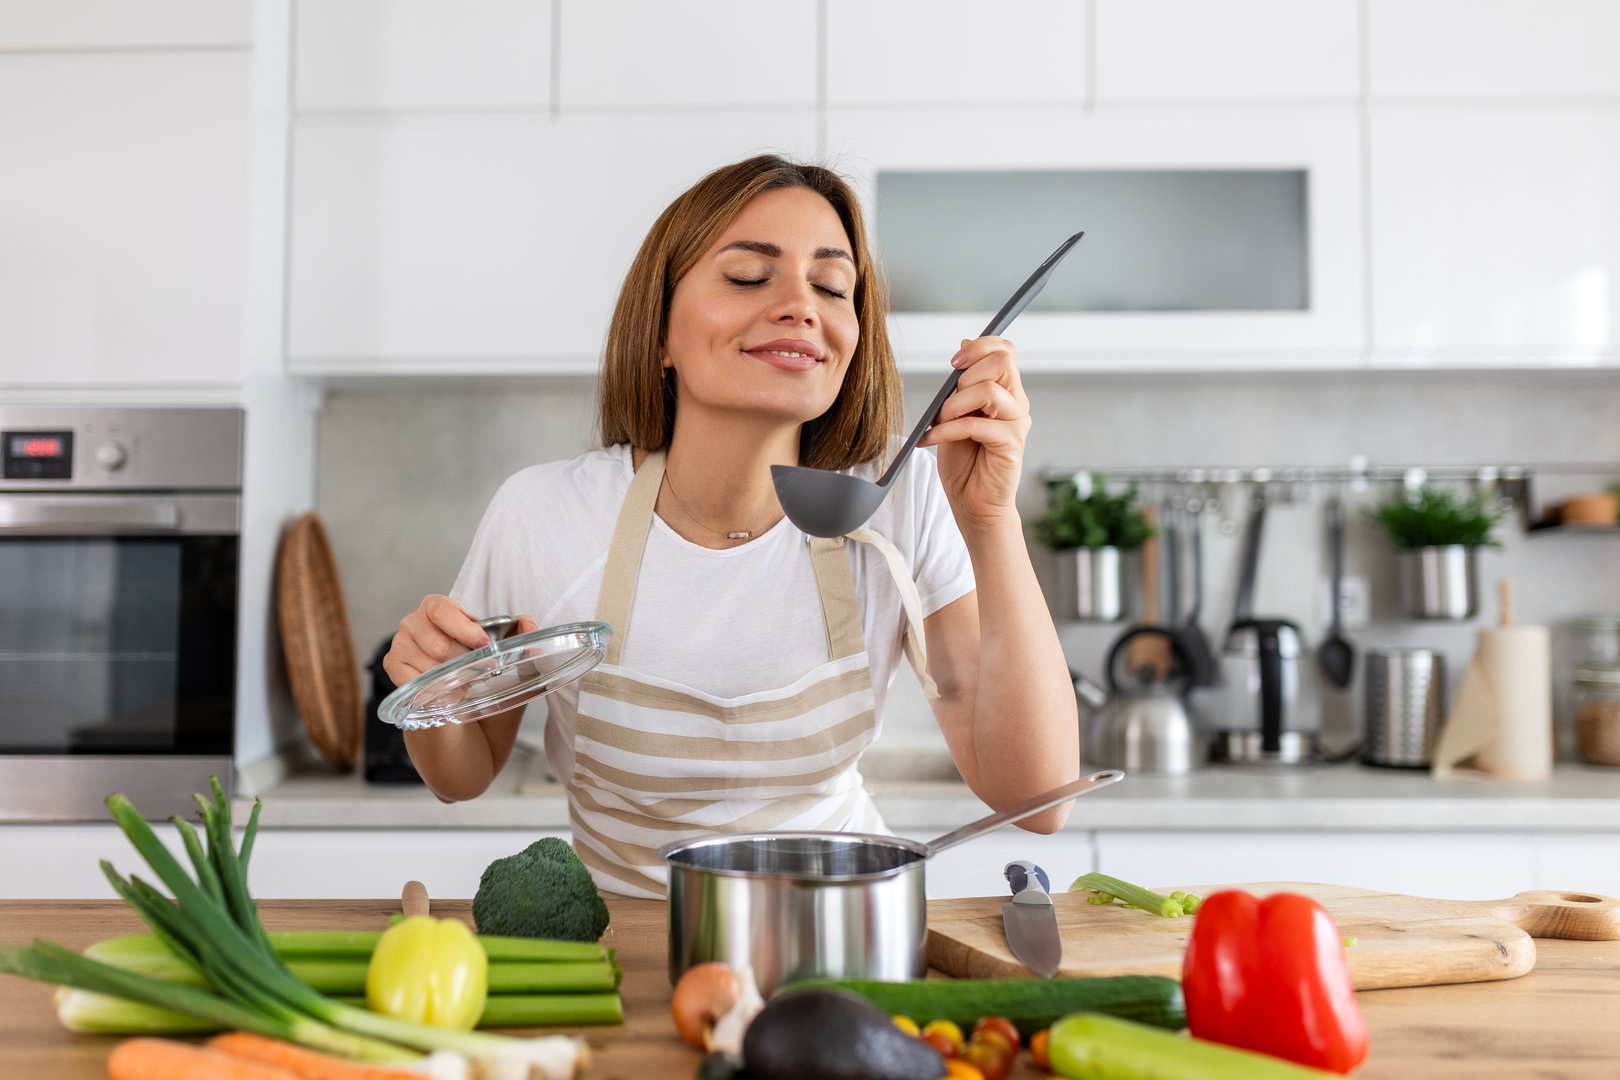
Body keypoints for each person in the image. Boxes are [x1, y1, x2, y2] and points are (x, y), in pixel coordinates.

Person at [384, 154, 1079, 898]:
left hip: (842, 928)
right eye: (750, 276)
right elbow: (465, 774)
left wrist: (990, 518)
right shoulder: (545, 514)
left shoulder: (899, 502)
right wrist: (434, 695)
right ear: (660, 335)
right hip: (628, 942)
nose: (800, 304)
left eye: (831, 285)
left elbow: (1036, 798)